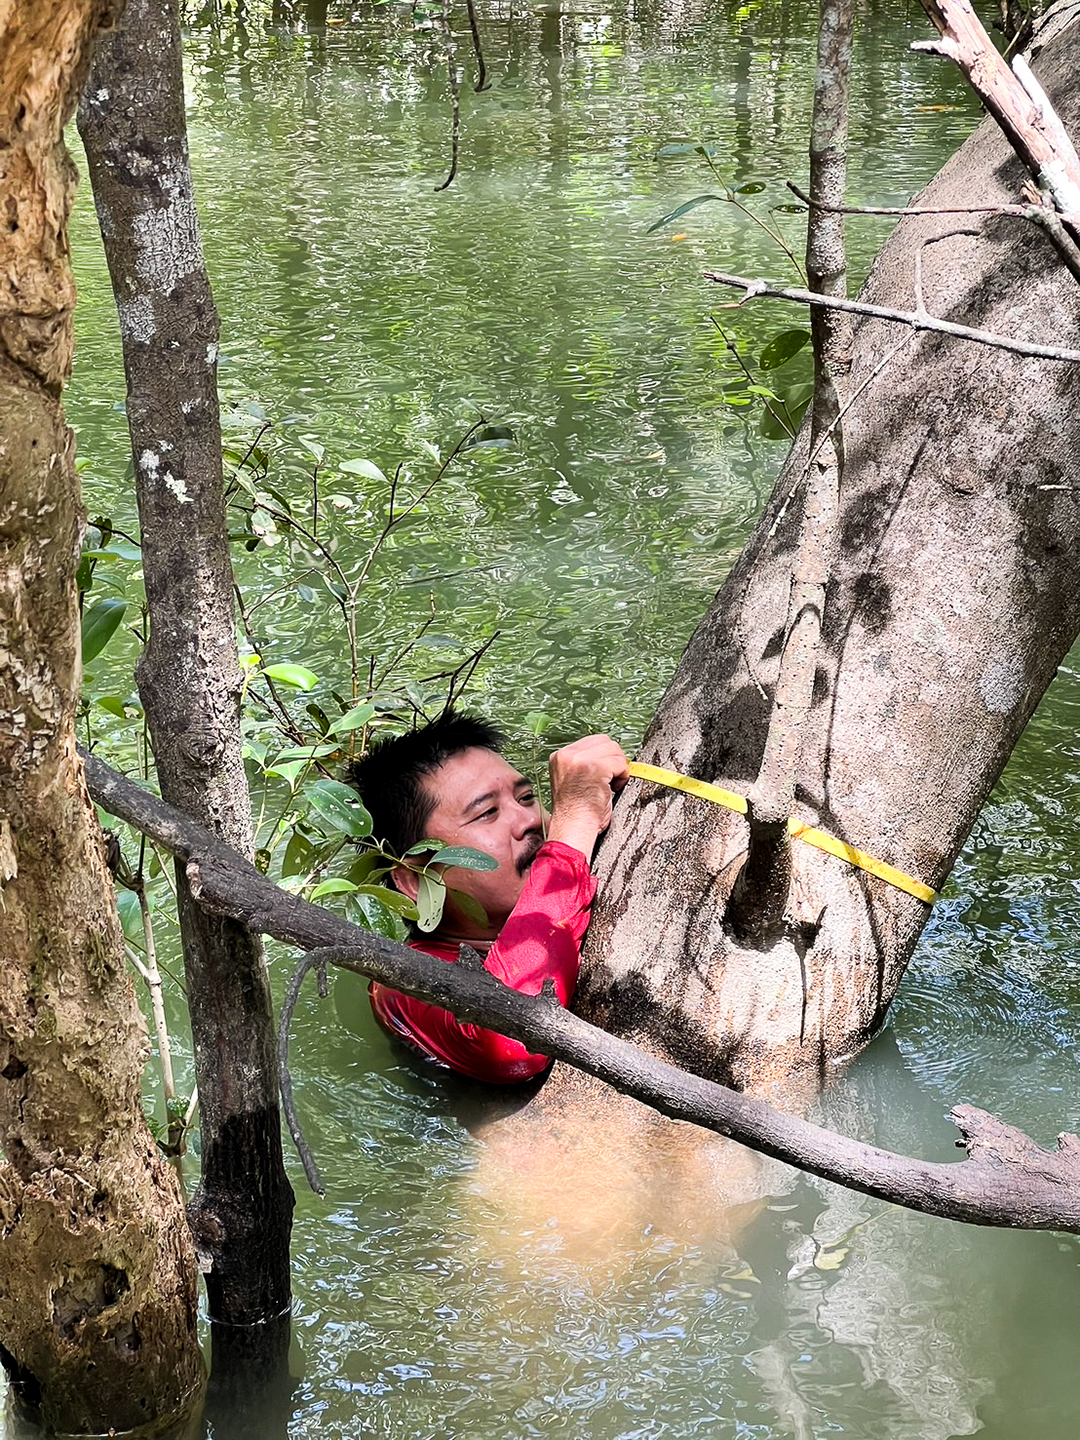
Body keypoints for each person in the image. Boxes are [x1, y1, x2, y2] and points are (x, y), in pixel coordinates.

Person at [345, 710, 629, 1083]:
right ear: (416, 878)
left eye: (527, 797)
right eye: (488, 813)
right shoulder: (401, 985)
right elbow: (510, 1042)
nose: (530, 820)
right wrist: (574, 821)